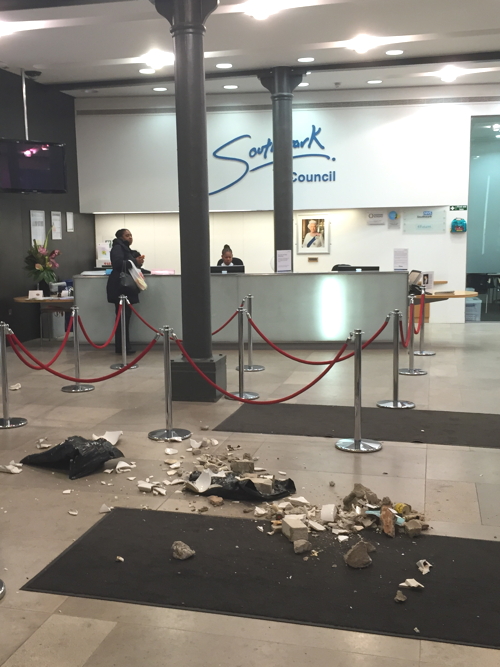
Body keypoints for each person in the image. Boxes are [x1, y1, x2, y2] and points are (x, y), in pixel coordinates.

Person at [106, 229, 145, 354]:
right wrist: (135, 262)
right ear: (121, 237)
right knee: (122, 318)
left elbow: (129, 259)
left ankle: (124, 346)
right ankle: (122, 347)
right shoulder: (117, 248)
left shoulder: (125, 249)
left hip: (124, 288)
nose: (130, 237)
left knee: (125, 318)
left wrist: (137, 259)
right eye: (127, 235)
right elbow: (118, 264)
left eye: (131, 235)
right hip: (120, 288)